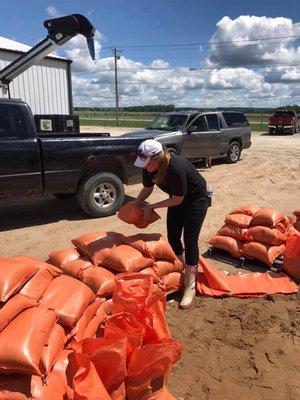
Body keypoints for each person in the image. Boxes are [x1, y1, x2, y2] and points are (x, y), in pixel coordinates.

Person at [133, 139, 209, 309]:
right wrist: (137, 202)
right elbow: (148, 188)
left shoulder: (176, 167)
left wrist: (152, 206)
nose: (145, 168)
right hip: (177, 200)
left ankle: (190, 285)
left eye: (147, 163)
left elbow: (177, 199)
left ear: (157, 158)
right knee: (173, 237)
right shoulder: (149, 167)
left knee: (190, 240)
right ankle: (185, 267)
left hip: (196, 200)